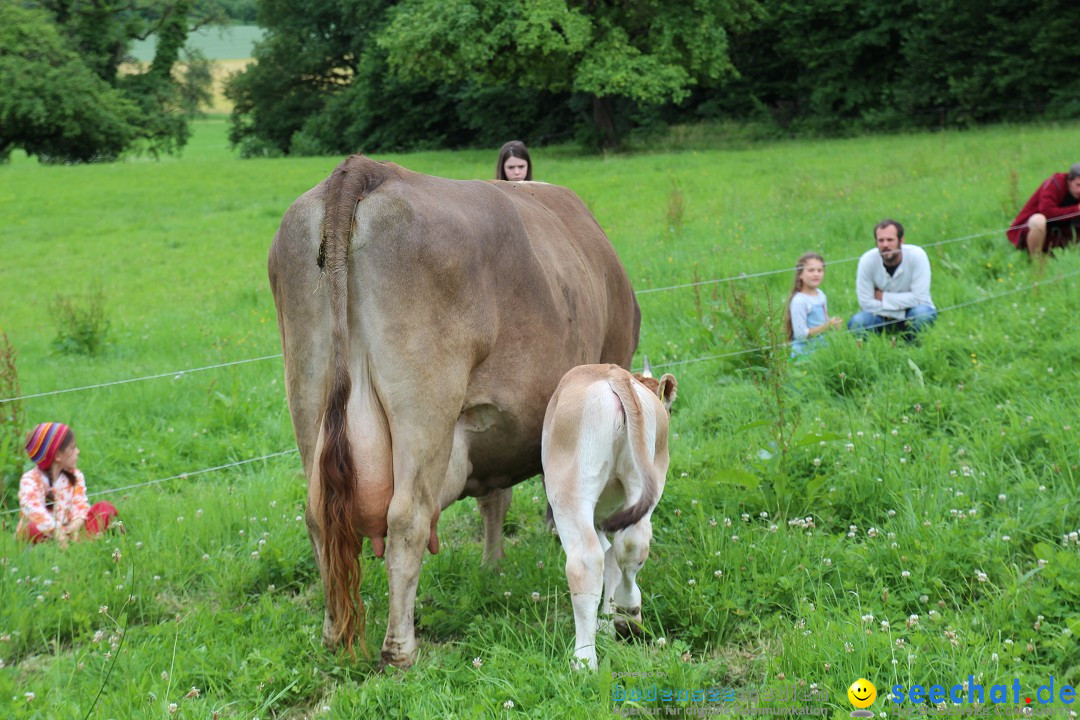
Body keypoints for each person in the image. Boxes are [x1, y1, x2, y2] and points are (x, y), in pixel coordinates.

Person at [17, 422, 119, 545]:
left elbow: (80, 503)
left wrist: (77, 521)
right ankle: (54, 547)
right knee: (31, 528)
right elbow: (33, 509)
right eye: (73, 448)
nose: (78, 451)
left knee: (104, 508)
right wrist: (55, 530)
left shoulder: (75, 475)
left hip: (70, 530)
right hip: (46, 532)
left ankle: (81, 544)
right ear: (58, 456)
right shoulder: (30, 480)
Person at [848, 219, 937, 337]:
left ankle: (912, 347)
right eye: (881, 240)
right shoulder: (867, 260)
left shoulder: (917, 255)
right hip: (880, 316)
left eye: (890, 240)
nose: (885, 245)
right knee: (857, 323)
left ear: (901, 240)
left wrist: (883, 297)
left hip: (912, 312)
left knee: (923, 314)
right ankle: (869, 352)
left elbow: (920, 299)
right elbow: (865, 303)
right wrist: (903, 306)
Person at [1007, 162, 1080, 257]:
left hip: (1060, 232)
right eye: (1078, 185)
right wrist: (1076, 210)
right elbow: (1047, 212)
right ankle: (1035, 260)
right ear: (1069, 180)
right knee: (1038, 220)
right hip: (1031, 229)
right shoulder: (1055, 183)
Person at [784, 252, 842, 356]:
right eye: (811, 270)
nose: (816, 274)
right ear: (800, 274)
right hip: (804, 355)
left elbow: (824, 320)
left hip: (822, 350)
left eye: (819, 270)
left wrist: (833, 326)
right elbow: (801, 335)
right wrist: (826, 326)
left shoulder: (821, 294)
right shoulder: (799, 301)